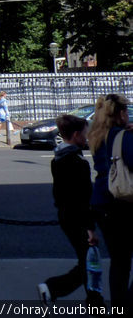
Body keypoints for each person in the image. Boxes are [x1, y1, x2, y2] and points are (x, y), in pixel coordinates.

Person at [37, 114, 104, 306]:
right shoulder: (77, 162)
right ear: (76, 135)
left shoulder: (58, 158)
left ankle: (92, 299)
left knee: (87, 260)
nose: (87, 137)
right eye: (85, 134)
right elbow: (83, 198)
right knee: (89, 262)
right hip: (79, 219)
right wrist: (90, 228)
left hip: (66, 216)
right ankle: (56, 288)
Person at [89, 93, 133, 310]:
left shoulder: (98, 135)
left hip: (102, 203)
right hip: (122, 203)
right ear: (121, 114)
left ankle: (119, 307)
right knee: (123, 260)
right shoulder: (123, 136)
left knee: (119, 261)